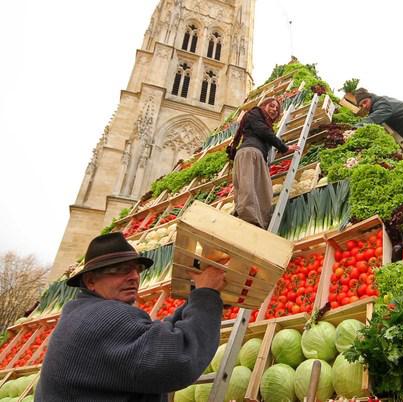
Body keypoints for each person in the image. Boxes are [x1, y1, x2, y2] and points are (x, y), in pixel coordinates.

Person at [36, 232, 225, 402]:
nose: (134, 276)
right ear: (91, 281)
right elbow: (179, 359)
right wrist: (206, 294)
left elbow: (152, 337)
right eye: (120, 270)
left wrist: (197, 301)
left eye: (136, 269)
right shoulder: (104, 317)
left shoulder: (81, 313)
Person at [230, 97, 299, 229]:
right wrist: (284, 147)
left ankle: (255, 221)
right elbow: (263, 131)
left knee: (263, 191)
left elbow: (264, 134)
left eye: (277, 109)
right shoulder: (255, 113)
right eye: (271, 105)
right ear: (263, 105)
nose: (274, 109)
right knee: (248, 188)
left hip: (255, 155)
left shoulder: (263, 121)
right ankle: (249, 223)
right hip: (250, 153)